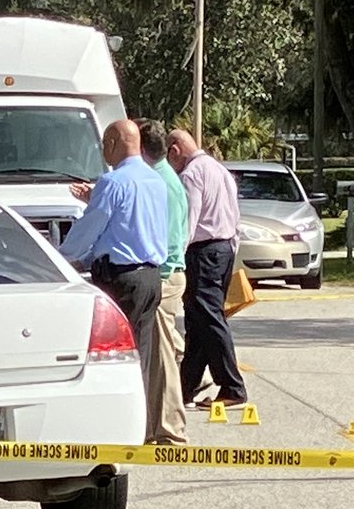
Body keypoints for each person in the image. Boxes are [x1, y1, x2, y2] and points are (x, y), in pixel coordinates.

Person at [59, 120, 168, 388]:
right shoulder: (156, 180)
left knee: (113, 358)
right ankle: (138, 424)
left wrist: (59, 258)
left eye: (104, 144)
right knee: (138, 359)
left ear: (113, 144)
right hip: (151, 277)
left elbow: (90, 227)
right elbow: (119, 232)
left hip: (122, 280)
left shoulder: (113, 182)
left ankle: (117, 421)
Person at [166, 128, 247, 409]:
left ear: (175, 150)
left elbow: (189, 221)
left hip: (202, 252)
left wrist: (177, 256)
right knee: (198, 322)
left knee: (209, 319)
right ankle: (185, 387)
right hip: (223, 248)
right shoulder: (219, 169)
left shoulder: (191, 175)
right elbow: (235, 215)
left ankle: (232, 386)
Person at [138, 119, 189, 445]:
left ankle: (171, 429)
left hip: (165, 276)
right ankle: (152, 425)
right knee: (161, 352)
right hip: (165, 276)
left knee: (164, 356)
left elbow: (171, 240)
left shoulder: (162, 183)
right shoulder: (160, 178)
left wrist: (162, 276)